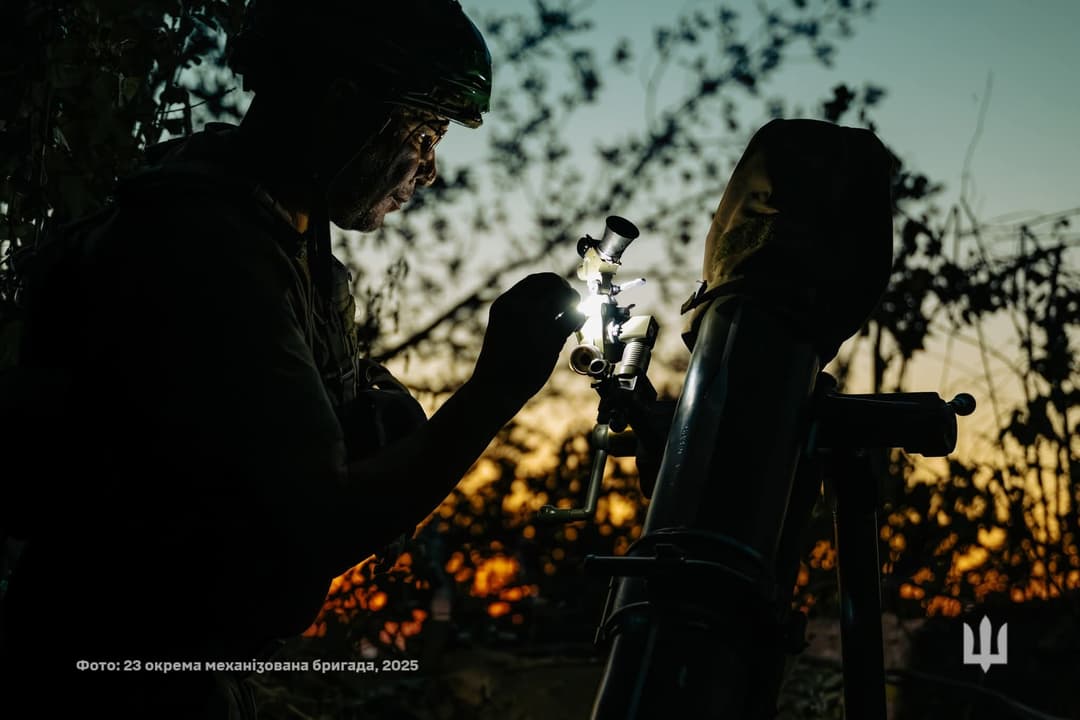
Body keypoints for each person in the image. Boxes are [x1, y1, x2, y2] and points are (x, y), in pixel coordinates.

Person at [0, 1, 583, 717]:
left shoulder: (282, 243)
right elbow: (313, 525)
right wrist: (496, 389)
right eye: (424, 132)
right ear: (342, 102)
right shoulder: (206, 252)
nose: (428, 171)